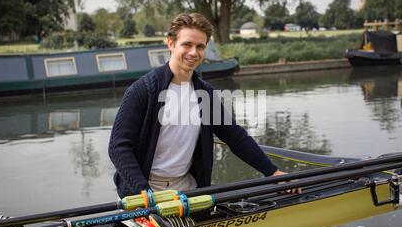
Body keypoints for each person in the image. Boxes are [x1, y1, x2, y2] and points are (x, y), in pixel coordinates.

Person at [109, 12, 290, 198]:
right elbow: (118, 146)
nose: (194, 53)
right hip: (144, 191)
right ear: (170, 43)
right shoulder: (142, 90)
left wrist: (272, 172)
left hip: (188, 190)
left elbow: (236, 137)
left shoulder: (205, 93)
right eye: (187, 44)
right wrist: (142, 190)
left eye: (200, 46)